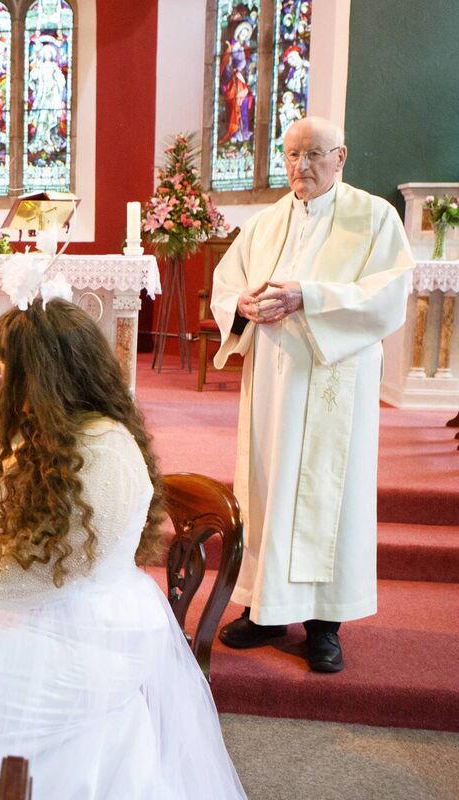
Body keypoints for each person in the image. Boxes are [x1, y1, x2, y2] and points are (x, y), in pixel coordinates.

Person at [0, 293, 245, 799]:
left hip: (74, 630)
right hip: (9, 606)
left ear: (43, 374)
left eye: (8, 362)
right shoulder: (26, 418)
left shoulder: (103, 452)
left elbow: (41, 574)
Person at [210, 116, 415, 673]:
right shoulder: (265, 223)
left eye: (314, 154)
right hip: (273, 385)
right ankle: (266, 611)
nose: (301, 166)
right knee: (269, 487)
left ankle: (326, 624)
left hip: (333, 379)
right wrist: (240, 307)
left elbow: (389, 294)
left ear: (340, 157)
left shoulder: (374, 217)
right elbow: (228, 285)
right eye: (292, 155)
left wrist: (311, 297)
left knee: (329, 495)